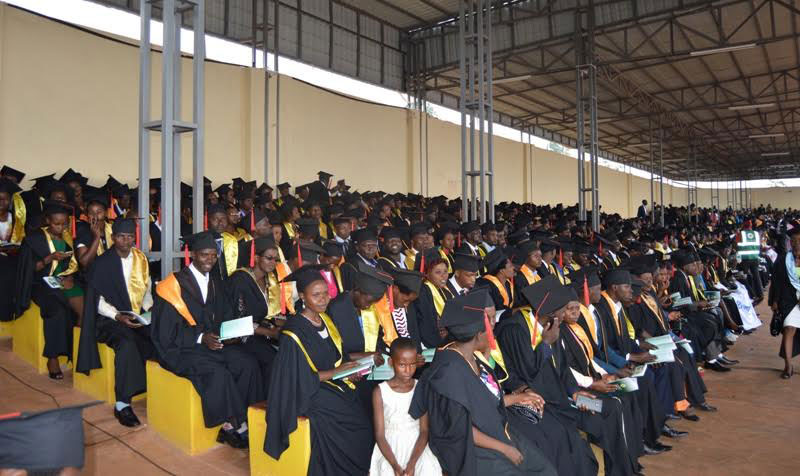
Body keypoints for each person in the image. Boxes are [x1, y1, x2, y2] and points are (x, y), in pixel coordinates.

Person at [409, 292, 557, 476]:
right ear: (478, 334)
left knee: (545, 469)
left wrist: (520, 397)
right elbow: (460, 429)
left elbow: (485, 403)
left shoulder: (473, 358)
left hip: (494, 432)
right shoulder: (448, 372)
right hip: (470, 449)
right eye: (490, 324)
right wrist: (504, 449)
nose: (493, 329)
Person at [150, 231, 264, 448]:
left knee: (247, 363)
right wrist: (201, 337)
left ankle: (249, 417)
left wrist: (229, 333)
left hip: (211, 343)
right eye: (204, 255)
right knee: (217, 372)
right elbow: (165, 332)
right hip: (180, 347)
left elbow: (224, 315)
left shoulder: (215, 283)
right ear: (193, 254)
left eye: (213, 255)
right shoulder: (172, 286)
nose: (209, 260)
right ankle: (232, 425)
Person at [265, 265, 375, 475]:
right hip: (307, 391)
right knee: (353, 423)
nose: (323, 299)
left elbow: (338, 355)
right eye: (316, 295)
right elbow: (295, 378)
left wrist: (349, 370)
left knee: (365, 404)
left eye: (326, 293)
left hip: (332, 383)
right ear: (303, 297)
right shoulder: (293, 333)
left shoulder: (325, 319)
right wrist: (336, 373)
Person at [76, 218, 155, 427]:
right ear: (113, 238)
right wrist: (117, 316)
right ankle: (122, 404)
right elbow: (96, 301)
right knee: (127, 343)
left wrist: (147, 309)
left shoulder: (141, 259)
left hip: (135, 315)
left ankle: (155, 389)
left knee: (159, 335)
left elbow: (147, 289)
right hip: (108, 318)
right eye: (121, 236)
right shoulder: (102, 263)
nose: (126, 241)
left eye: (130, 237)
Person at [14, 201, 84, 379]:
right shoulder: (34, 239)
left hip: (64, 282)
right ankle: (52, 358)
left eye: (64, 224)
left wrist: (70, 277)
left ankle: (77, 351)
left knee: (85, 308)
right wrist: (49, 258)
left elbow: (74, 266)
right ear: (47, 221)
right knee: (57, 310)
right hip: (41, 284)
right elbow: (29, 269)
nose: (61, 227)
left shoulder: (68, 238)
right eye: (56, 224)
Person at [225, 237, 291, 389]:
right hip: (240, 337)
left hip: (262, 332)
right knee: (272, 359)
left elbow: (267, 313)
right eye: (269, 258)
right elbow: (237, 320)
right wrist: (270, 332)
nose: (273, 263)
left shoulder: (269, 280)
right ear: (256, 257)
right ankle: (267, 399)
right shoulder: (240, 280)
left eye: (275, 259)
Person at [370, 337, 442, 476]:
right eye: (402, 365)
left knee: (427, 467)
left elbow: (424, 430)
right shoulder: (380, 392)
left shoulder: (420, 387)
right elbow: (380, 435)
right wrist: (395, 466)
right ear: (391, 362)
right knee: (386, 470)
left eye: (412, 364)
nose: (408, 370)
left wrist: (412, 464)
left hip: (417, 446)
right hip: (389, 447)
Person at [769, 225, 800, 378]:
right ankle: (788, 366)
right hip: (788, 300)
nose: (796, 243)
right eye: (793, 240)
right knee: (788, 329)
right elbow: (776, 282)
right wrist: (774, 301)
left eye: (799, 240)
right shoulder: (783, 260)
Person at [413, 248, 455, 349]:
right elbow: (426, 325)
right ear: (426, 274)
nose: (443, 276)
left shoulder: (445, 289)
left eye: (445, 271)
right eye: (438, 272)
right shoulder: (422, 292)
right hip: (431, 345)